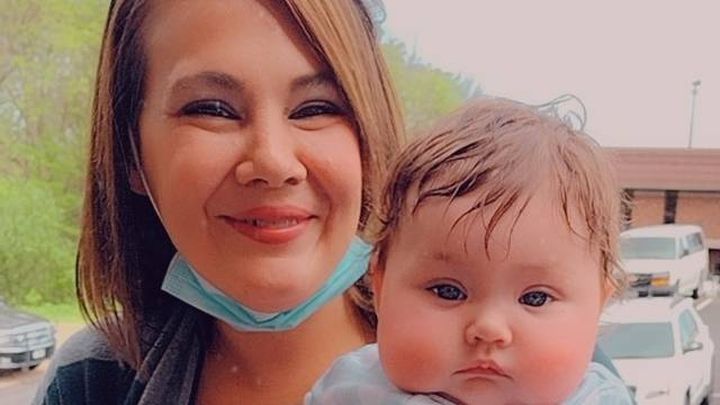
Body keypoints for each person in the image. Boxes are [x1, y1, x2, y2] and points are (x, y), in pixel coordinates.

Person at [33, 0, 403, 404]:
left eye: (317, 108)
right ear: (131, 153)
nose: (273, 163)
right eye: (211, 109)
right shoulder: (90, 381)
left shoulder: (459, 371)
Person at [306, 98, 634, 404]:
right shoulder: (349, 391)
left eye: (535, 298)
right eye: (448, 291)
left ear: (598, 306)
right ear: (380, 286)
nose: (489, 329)